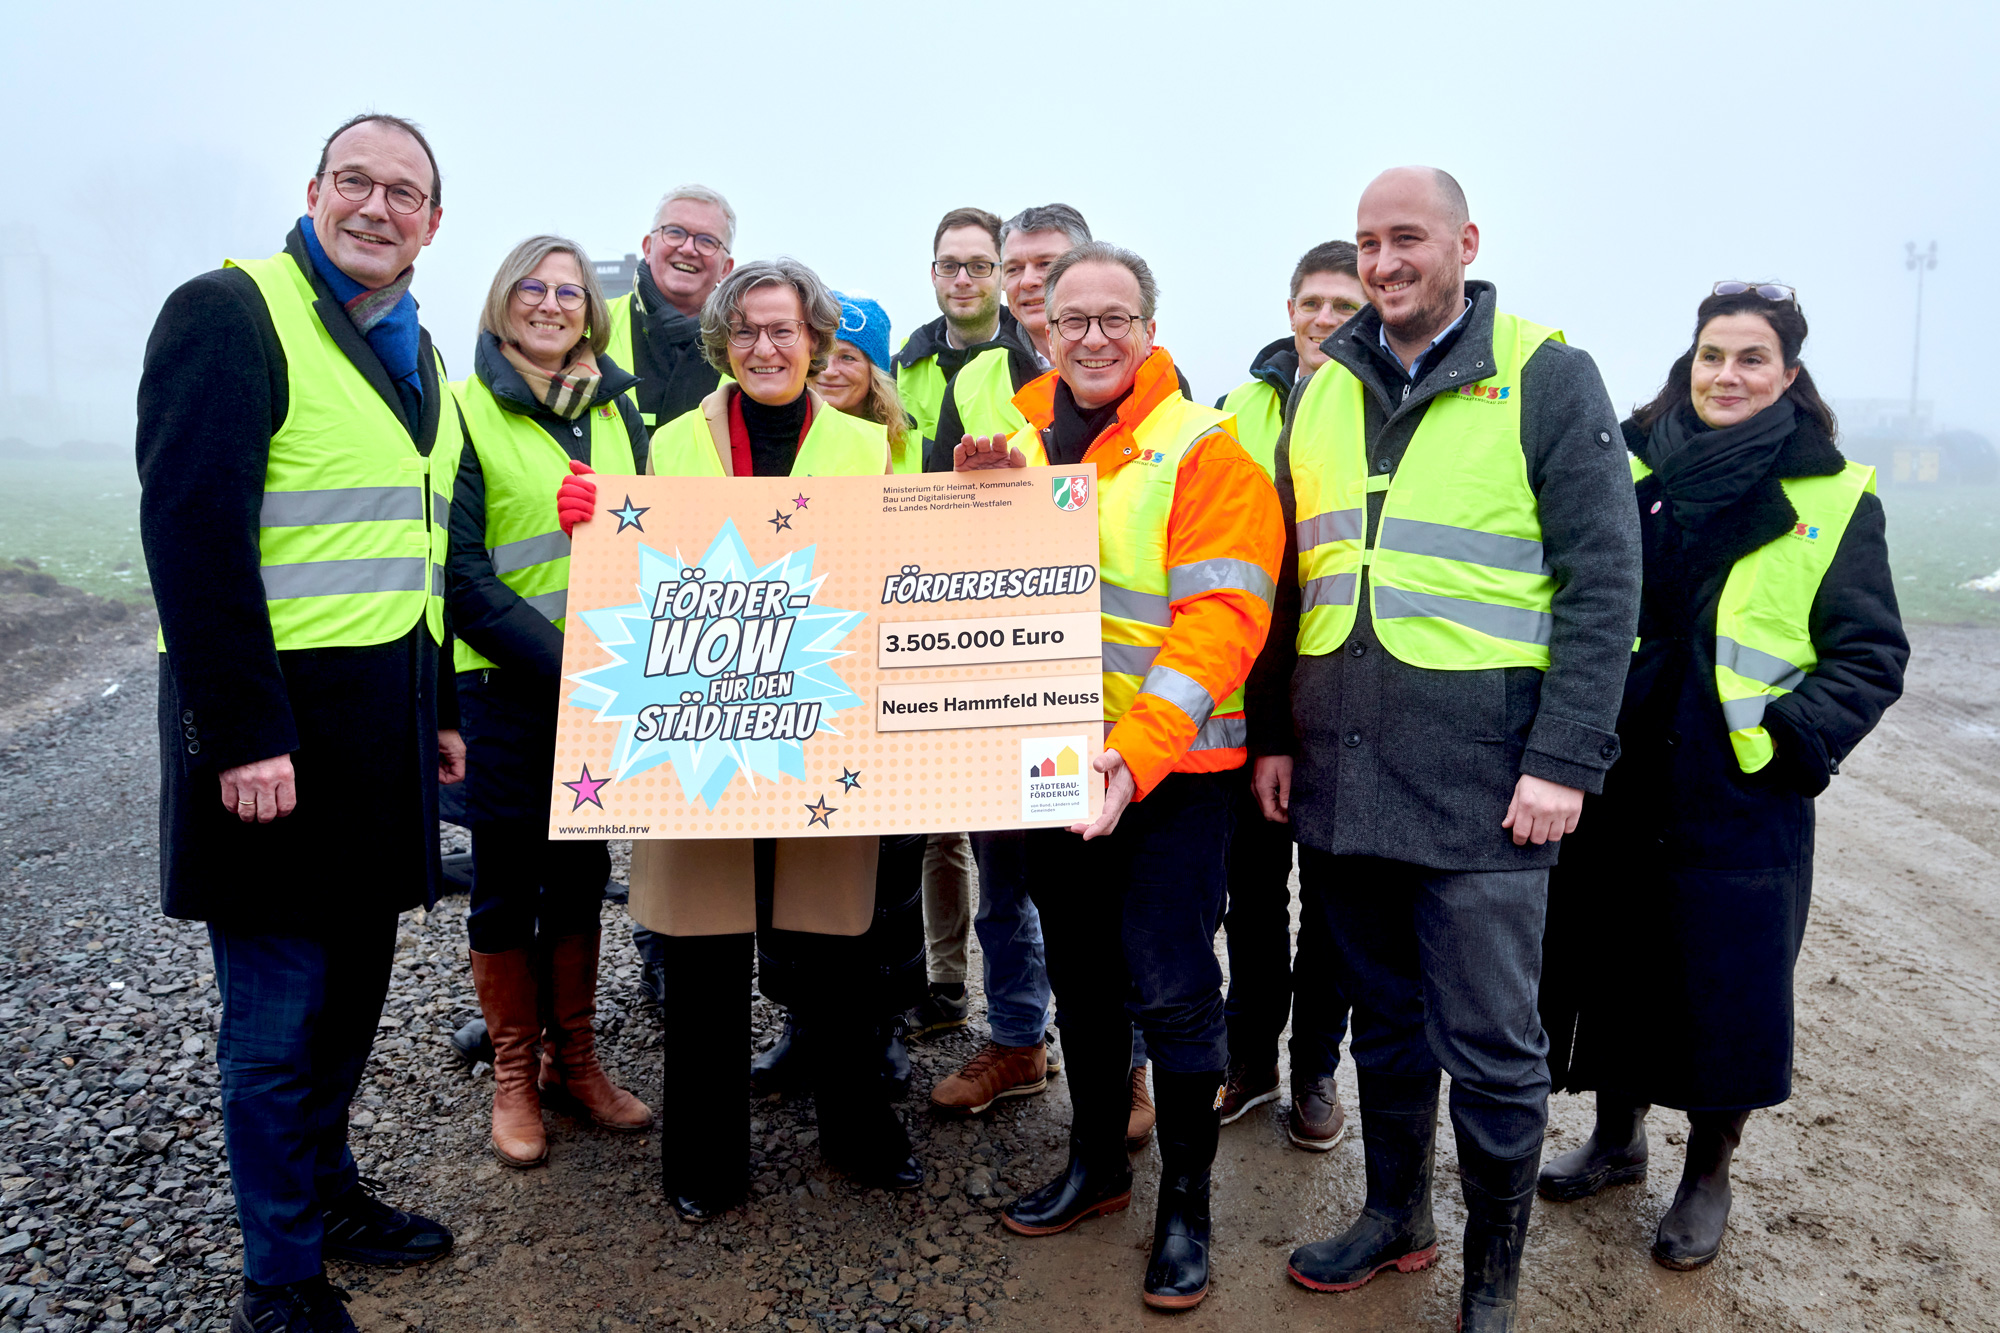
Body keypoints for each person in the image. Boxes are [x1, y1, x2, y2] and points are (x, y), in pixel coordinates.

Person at [1252, 167, 1641, 1333]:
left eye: (1406, 237)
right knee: (1382, 1021)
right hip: (1343, 771)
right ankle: (1394, 1217)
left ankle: (1490, 1276)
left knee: (1490, 1046)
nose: (1382, 262)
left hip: (1487, 784)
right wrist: (1274, 735)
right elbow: (1291, 575)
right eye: (1366, 241)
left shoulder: (1546, 374)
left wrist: (1564, 757)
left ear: (1464, 242)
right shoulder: (1322, 386)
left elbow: (1602, 578)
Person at [136, 112, 462, 1331]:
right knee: (276, 1023)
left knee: (351, 1003)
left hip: (378, 737)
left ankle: (327, 1194)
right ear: (315, 189)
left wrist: (437, 708)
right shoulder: (231, 314)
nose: (377, 207)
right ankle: (278, 1279)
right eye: (355, 182)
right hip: (270, 740)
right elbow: (192, 534)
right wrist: (241, 733)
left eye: (404, 192)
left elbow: (412, 548)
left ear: (433, 222)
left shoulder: (416, 350)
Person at [1537, 283, 1905, 1271]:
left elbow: (1870, 652)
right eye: (1712, 355)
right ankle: (1616, 1138)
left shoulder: (1831, 496)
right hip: (1617, 769)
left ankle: (1708, 1170)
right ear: (1687, 363)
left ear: (1788, 375)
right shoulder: (1626, 465)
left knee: (1724, 986)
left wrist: (1791, 740)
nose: (1726, 375)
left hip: (1737, 788)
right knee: (1614, 961)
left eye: (1750, 358)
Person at [559, 258, 926, 1217]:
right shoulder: (669, 441)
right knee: (702, 954)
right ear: (724, 343)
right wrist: (589, 528)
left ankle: (857, 1132)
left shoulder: (869, 445)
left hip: (826, 728)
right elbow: (634, 574)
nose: (767, 347)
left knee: (840, 952)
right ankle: (704, 1159)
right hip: (699, 734)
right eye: (749, 331)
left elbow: (911, 570)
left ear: (815, 340)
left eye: (785, 329)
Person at [956, 241, 1284, 1310]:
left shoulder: (1206, 451)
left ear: (1149, 329)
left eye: (1115, 318)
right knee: (1083, 978)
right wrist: (966, 508)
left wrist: (1132, 756)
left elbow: (1221, 623)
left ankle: (1185, 1205)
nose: (1093, 338)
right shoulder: (1008, 444)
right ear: (1042, 327)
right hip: (1048, 761)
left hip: (1172, 775)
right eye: (1072, 319)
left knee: (1174, 987)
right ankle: (1097, 1164)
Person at [445, 236, 656, 1169]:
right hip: (507, 689)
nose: (551, 304)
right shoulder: (462, 410)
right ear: (503, 300)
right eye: (532, 288)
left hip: (600, 693)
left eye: (569, 292)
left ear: (590, 312)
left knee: (578, 874)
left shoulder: (617, 413)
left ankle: (576, 1059)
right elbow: (462, 574)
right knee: (505, 880)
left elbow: (653, 543)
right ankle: (513, 1074)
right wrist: (570, 662)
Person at [925, 204, 1101, 1131]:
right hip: (1003, 671)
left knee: (1102, 885)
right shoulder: (981, 379)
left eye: (1048, 264)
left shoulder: (1141, 372)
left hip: (1103, 679)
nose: (1030, 282)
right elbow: (941, 512)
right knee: (1003, 877)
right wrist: (970, 482)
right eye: (1018, 266)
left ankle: (1126, 1063)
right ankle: (1020, 1039)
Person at [747, 289, 920, 1102]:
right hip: (793, 687)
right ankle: (801, 1021)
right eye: (828, 353)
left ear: (874, 370)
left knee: (888, 873)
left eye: (853, 356)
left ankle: (883, 1024)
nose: (834, 368)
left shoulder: (901, 452)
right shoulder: (773, 439)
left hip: (882, 692)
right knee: (782, 865)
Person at [1215, 240, 1365, 1148]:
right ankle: (1249, 1061)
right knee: (1254, 895)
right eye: (1313, 302)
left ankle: (1315, 1069)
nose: (1325, 319)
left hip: (1344, 691)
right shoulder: (1238, 407)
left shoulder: (1383, 407)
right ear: (1289, 308)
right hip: (1252, 690)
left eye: (1344, 305)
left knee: (1335, 907)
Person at [893, 207, 1043, 468]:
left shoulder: (1041, 359)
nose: (962, 280)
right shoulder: (897, 371)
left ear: (1003, 274)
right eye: (949, 266)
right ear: (933, 275)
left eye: (979, 266)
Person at [601, 183, 738, 436]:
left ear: (726, 269)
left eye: (707, 241)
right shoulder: (594, 326)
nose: (688, 249)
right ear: (648, 248)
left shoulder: (747, 343)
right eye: (675, 232)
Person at [997, 203, 1093, 367]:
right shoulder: (972, 378)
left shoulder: (1135, 363)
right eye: (1014, 269)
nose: (1027, 281)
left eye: (1046, 264)